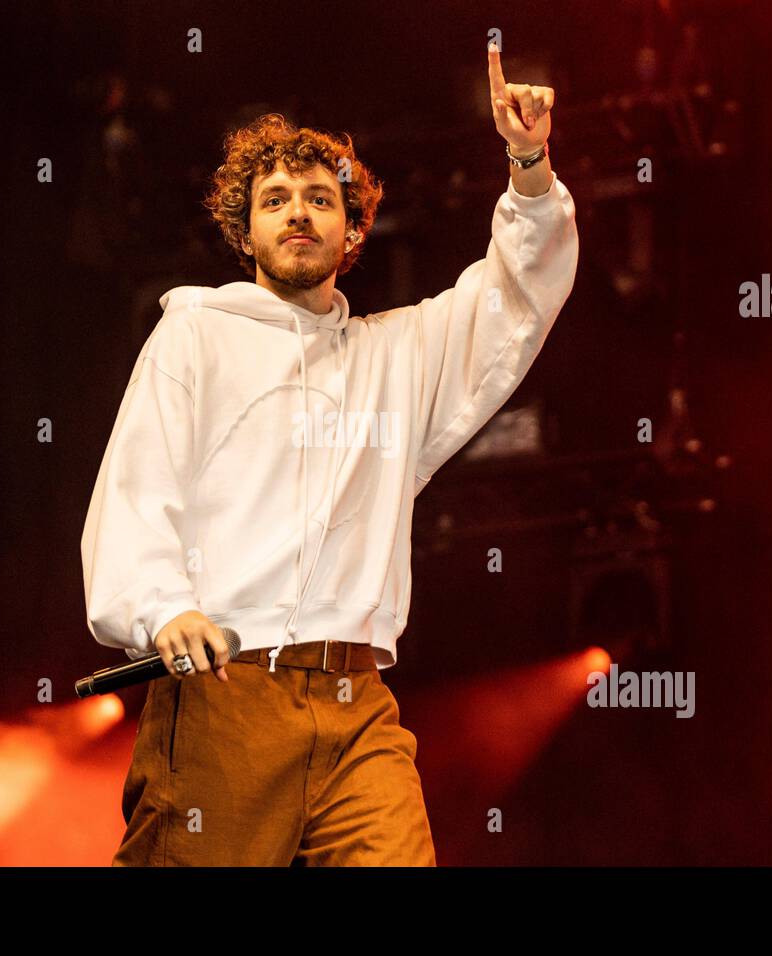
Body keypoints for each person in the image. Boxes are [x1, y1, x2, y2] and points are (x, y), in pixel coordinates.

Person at [81, 43, 579, 866]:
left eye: (321, 198)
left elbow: (515, 298)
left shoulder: (396, 355)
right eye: (276, 200)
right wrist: (163, 609)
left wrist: (527, 162)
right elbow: (139, 485)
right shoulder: (197, 331)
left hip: (357, 705)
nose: (300, 212)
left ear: (352, 230)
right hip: (226, 692)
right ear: (245, 231)